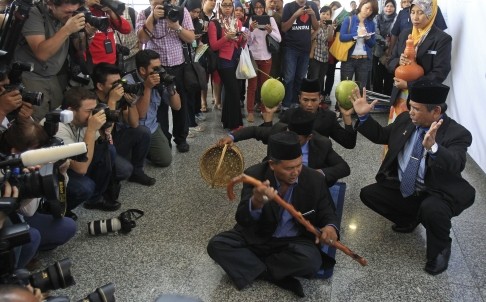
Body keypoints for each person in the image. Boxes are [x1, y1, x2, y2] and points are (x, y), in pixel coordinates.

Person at [350, 80, 475, 275]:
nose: (411, 112)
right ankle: (409, 219)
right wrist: (364, 117)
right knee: (369, 194)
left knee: (432, 209)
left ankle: (440, 250)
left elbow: (456, 162)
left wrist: (434, 147)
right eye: (410, 107)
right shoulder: (405, 120)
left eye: (416, 109)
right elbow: (382, 135)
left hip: (436, 192)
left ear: (435, 111)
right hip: (406, 187)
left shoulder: (457, 133)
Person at [207, 131, 339, 297]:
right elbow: (242, 220)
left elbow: (327, 211)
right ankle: (276, 276)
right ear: (272, 164)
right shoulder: (254, 175)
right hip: (258, 235)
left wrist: (330, 227)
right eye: (289, 168)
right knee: (216, 245)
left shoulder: (314, 179)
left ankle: (255, 269)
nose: (296, 172)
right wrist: (256, 202)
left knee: (311, 261)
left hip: (293, 240)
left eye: (299, 165)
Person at [0, 118, 76, 269]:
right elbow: (28, 211)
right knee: (31, 236)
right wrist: (38, 177)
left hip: (19, 216)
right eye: (35, 151)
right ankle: (12, 274)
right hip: (8, 219)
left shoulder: (24, 162)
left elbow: (57, 202)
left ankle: (30, 251)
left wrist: (61, 174)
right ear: (15, 151)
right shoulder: (5, 172)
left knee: (68, 227)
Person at [218, 107, 350, 186]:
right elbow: (254, 131)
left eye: (297, 139)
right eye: (289, 134)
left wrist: (317, 174)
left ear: (308, 137)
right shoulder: (279, 130)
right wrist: (231, 137)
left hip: (306, 185)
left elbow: (344, 167)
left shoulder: (322, 144)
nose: (290, 140)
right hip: (277, 180)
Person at [136, 0, 195, 153]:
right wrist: (152, 18)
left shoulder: (181, 11)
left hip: (178, 66)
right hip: (155, 68)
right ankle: (164, 140)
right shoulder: (144, 14)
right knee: (158, 107)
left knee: (179, 105)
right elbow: (142, 39)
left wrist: (177, 27)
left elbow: (191, 38)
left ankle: (181, 138)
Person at [14, 0, 86, 121]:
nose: (71, 16)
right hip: (32, 75)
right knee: (36, 119)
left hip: (53, 75)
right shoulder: (34, 13)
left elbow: (80, 48)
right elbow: (42, 53)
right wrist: (67, 29)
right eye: (68, 12)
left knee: (58, 115)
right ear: (51, 4)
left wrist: (89, 34)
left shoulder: (67, 17)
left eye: (74, 12)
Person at [56, 87, 123, 211]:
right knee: (85, 187)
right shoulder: (57, 127)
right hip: (58, 172)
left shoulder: (82, 120)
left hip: (76, 160)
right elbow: (81, 169)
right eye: (89, 111)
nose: (94, 115)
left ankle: (94, 199)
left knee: (109, 150)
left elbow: (101, 142)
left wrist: (104, 128)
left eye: (95, 109)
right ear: (71, 111)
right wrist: (91, 130)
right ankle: (63, 210)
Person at [387, 0, 451, 122]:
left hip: (423, 100)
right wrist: (398, 62)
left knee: (416, 136)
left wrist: (409, 85)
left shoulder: (442, 39)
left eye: (420, 12)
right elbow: (390, 61)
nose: (415, 17)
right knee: (396, 134)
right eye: (412, 12)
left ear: (430, 13)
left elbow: (440, 72)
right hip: (399, 96)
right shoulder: (405, 33)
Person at [92, 63, 155, 186]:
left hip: (114, 141)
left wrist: (131, 104)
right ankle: (103, 183)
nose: (119, 87)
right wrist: (112, 101)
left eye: (120, 82)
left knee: (143, 131)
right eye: (114, 84)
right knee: (125, 170)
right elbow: (106, 132)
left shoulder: (118, 96)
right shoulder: (90, 101)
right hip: (98, 147)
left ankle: (137, 172)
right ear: (100, 85)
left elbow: (134, 123)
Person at [123, 49, 180, 167]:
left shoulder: (160, 79)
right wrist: (147, 87)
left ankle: (146, 151)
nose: (159, 71)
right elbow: (141, 115)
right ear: (142, 70)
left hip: (152, 127)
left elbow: (177, 106)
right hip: (131, 130)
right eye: (155, 69)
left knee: (165, 160)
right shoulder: (129, 82)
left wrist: (171, 88)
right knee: (127, 166)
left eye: (160, 67)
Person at [274, 78, 357, 149]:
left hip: (319, 162)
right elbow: (272, 138)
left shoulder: (329, 117)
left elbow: (349, 143)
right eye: (305, 100)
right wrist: (269, 115)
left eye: (314, 100)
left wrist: (346, 116)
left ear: (320, 99)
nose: (309, 105)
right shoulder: (290, 115)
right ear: (299, 98)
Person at [207, 0, 247, 130]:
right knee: (233, 91)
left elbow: (240, 43)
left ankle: (227, 121)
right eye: (224, 5)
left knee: (231, 91)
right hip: (223, 61)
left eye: (230, 5)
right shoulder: (214, 23)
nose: (228, 8)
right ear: (220, 6)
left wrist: (244, 38)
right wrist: (226, 38)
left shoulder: (237, 22)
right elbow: (213, 46)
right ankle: (236, 124)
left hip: (235, 59)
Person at [246, 0, 281, 123]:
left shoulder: (270, 19)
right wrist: (250, 30)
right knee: (252, 86)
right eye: (255, 8)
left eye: (260, 7)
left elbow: (279, 38)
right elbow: (248, 42)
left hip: (266, 57)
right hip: (253, 58)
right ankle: (250, 111)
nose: (258, 10)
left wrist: (270, 31)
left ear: (264, 8)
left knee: (264, 87)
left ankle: (263, 110)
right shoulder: (251, 20)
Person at [280, 0, 319, 110]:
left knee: (300, 78)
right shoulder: (289, 6)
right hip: (291, 48)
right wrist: (295, 15)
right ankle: (286, 105)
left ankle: (296, 103)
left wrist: (313, 15)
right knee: (289, 78)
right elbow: (284, 28)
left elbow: (316, 27)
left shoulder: (313, 6)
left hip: (305, 49)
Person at [339, 0, 378, 90]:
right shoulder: (349, 19)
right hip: (349, 58)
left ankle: (358, 104)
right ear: (361, 6)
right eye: (367, 8)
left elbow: (372, 44)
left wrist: (368, 38)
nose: (368, 11)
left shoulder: (371, 23)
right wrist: (356, 35)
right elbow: (342, 37)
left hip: (364, 60)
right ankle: (341, 104)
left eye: (371, 10)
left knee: (361, 89)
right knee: (345, 89)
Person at [84, 0, 131, 66]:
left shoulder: (105, 14)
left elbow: (127, 29)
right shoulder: (85, 13)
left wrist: (110, 11)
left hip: (111, 63)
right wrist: (86, 6)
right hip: (93, 64)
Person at [307, 6, 334, 100]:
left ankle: (318, 97)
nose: (325, 16)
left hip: (325, 57)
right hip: (315, 56)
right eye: (323, 13)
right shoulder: (315, 24)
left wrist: (331, 28)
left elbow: (329, 39)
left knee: (321, 78)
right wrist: (318, 28)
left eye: (328, 14)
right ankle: (311, 96)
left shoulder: (329, 26)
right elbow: (310, 38)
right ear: (320, 14)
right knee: (314, 76)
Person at [371, 0, 396, 96]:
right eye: (387, 6)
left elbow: (397, 34)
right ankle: (377, 99)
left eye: (391, 6)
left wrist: (390, 49)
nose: (389, 8)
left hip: (392, 53)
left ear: (395, 8)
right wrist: (386, 46)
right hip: (378, 52)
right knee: (377, 76)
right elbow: (375, 34)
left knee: (389, 77)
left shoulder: (397, 18)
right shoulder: (377, 17)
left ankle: (387, 100)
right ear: (383, 7)